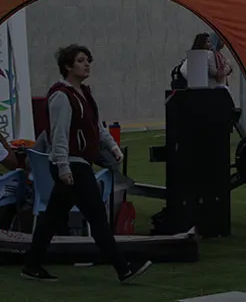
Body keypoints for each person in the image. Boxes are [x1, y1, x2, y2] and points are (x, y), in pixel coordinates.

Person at [22, 44, 152, 284]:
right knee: (96, 216)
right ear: (68, 66)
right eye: (81, 60)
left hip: (78, 163)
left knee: (53, 218)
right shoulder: (62, 96)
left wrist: (112, 147)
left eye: (87, 60)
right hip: (73, 164)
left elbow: (96, 127)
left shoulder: (84, 94)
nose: (87, 64)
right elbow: (58, 133)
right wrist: (63, 167)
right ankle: (123, 268)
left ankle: (32, 265)